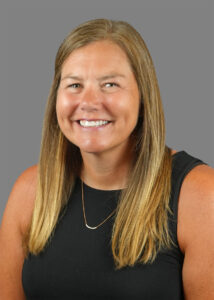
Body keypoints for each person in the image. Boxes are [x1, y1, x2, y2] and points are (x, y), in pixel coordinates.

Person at [0, 18, 214, 300]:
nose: (88, 102)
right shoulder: (31, 190)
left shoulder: (198, 195)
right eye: (74, 85)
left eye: (110, 84)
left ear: (143, 98)